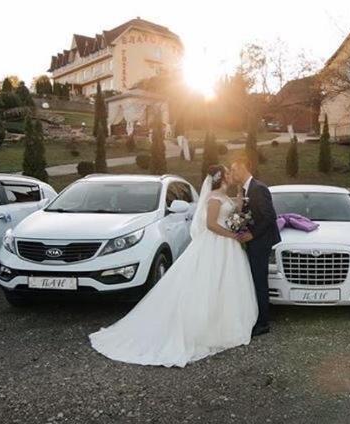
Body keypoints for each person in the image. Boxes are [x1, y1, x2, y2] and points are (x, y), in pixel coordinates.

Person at [88, 165, 257, 367]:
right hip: (217, 243)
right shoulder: (213, 198)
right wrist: (233, 235)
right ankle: (207, 327)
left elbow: (230, 215)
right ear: (220, 178)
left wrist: (238, 202)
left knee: (224, 283)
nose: (230, 175)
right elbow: (212, 224)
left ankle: (226, 322)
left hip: (226, 246)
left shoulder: (225, 196)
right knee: (209, 282)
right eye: (227, 173)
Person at [230, 156, 281, 336]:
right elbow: (249, 216)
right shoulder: (244, 189)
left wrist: (251, 234)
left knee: (259, 281)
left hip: (261, 242)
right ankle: (256, 316)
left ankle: (263, 323)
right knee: (253, 279)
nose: (232, 173)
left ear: (244, 167)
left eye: (234, 169)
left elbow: (269, 217)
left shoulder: (258, 188)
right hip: (253, 241)